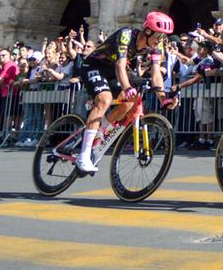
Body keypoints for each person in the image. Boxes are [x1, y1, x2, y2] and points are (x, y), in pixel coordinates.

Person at [71, 12, 173, 174]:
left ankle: (101, 131)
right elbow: (120, 65)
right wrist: (127, 87)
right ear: (148, 32)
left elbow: (156, 74)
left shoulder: (157, 47)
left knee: (130, 102)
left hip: (116, 70)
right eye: (159, 36)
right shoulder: (126, 35)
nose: (161, 40)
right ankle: (83, 156)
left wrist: (163, 98)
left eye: (164, 37)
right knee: (104, 99)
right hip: (95, 66)